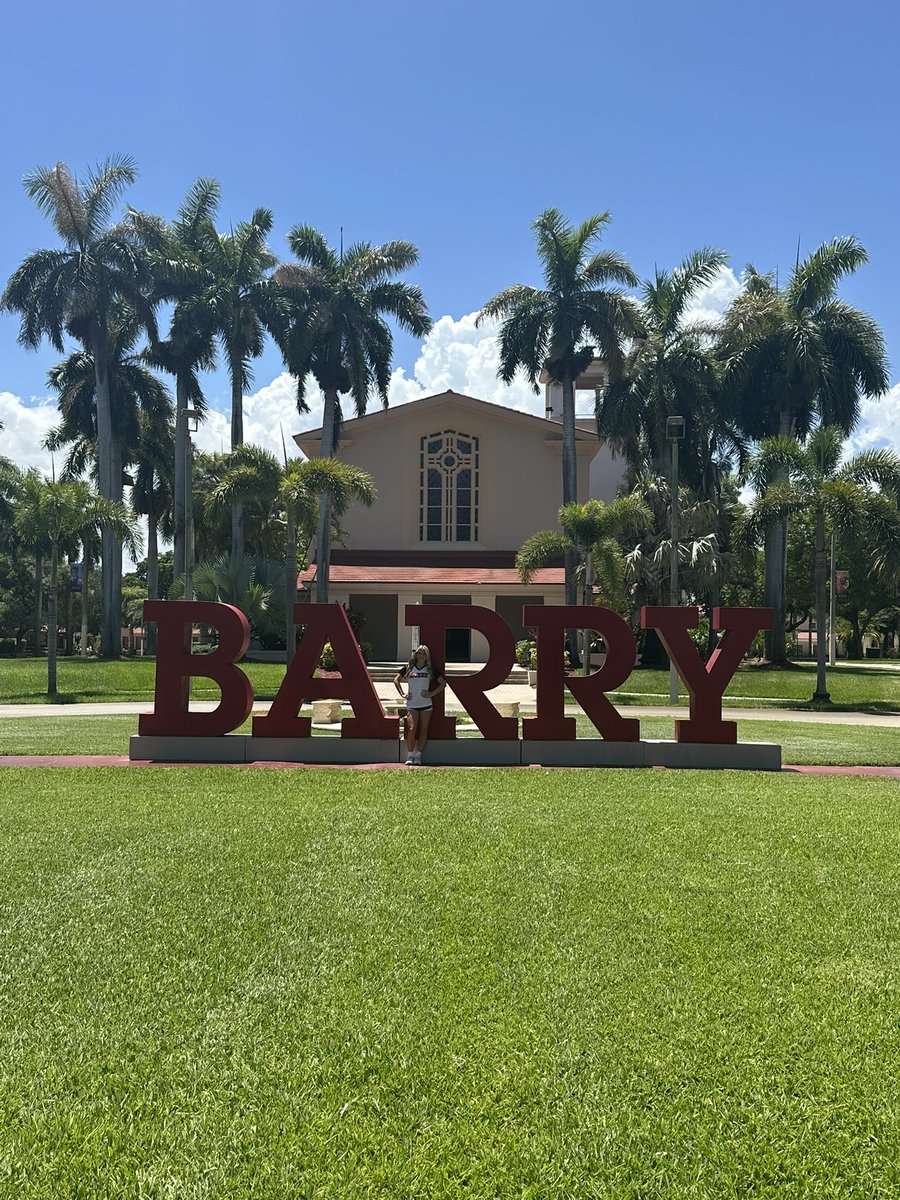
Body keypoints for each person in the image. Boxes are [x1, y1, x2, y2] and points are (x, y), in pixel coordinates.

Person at [394, 644, 446, 765]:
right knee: (412, 728)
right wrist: (402, 694)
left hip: (426, 704)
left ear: (427, 656)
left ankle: (418, 756)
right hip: (412, 704)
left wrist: (431, 694)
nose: (421, 656)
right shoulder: (409, 667)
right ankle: (410, 754)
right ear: (416, 654)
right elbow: (396, 680)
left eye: (424, 654)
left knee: (424, 729)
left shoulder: (430, 669)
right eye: (419, 653)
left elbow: (443, 684)